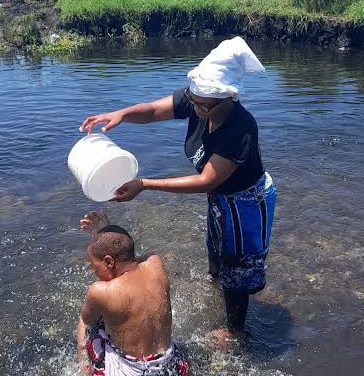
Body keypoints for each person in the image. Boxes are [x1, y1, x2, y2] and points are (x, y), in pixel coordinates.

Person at [79, 37, 276, 345]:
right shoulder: (198, 99)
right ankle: (215, 288)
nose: (193, 107)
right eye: (193, 100)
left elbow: (206, 181)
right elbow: (154, 111)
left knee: (237, 267)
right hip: (221, 200)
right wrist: (119, 114)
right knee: (217, 253)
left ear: (227, 99)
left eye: (201, 105)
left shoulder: (241, 128)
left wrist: (145, 184)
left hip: (246, 203)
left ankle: (235, 332)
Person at [76, 212, 188, 376]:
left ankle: (89, 375)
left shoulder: (101, 291)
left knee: (89, 324)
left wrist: (82, 362)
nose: (94, 273)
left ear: (109, 262)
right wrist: (105, 229)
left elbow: (86, 321)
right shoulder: (156, 263)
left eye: (94, 267)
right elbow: (127, 251)